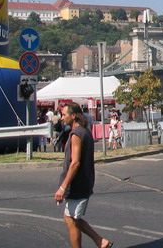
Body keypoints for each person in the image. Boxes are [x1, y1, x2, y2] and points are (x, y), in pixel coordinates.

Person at [53, 102, 113, 248]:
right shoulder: (84, 131)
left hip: (78, 184)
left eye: (64, 115)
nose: (62, 118)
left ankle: (99, 241)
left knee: (71, 219)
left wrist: (62, 187)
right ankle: (100, 241)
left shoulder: (77, 134)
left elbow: (75, 163)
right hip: (82, 182)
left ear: (73, 116)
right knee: (72, 218)